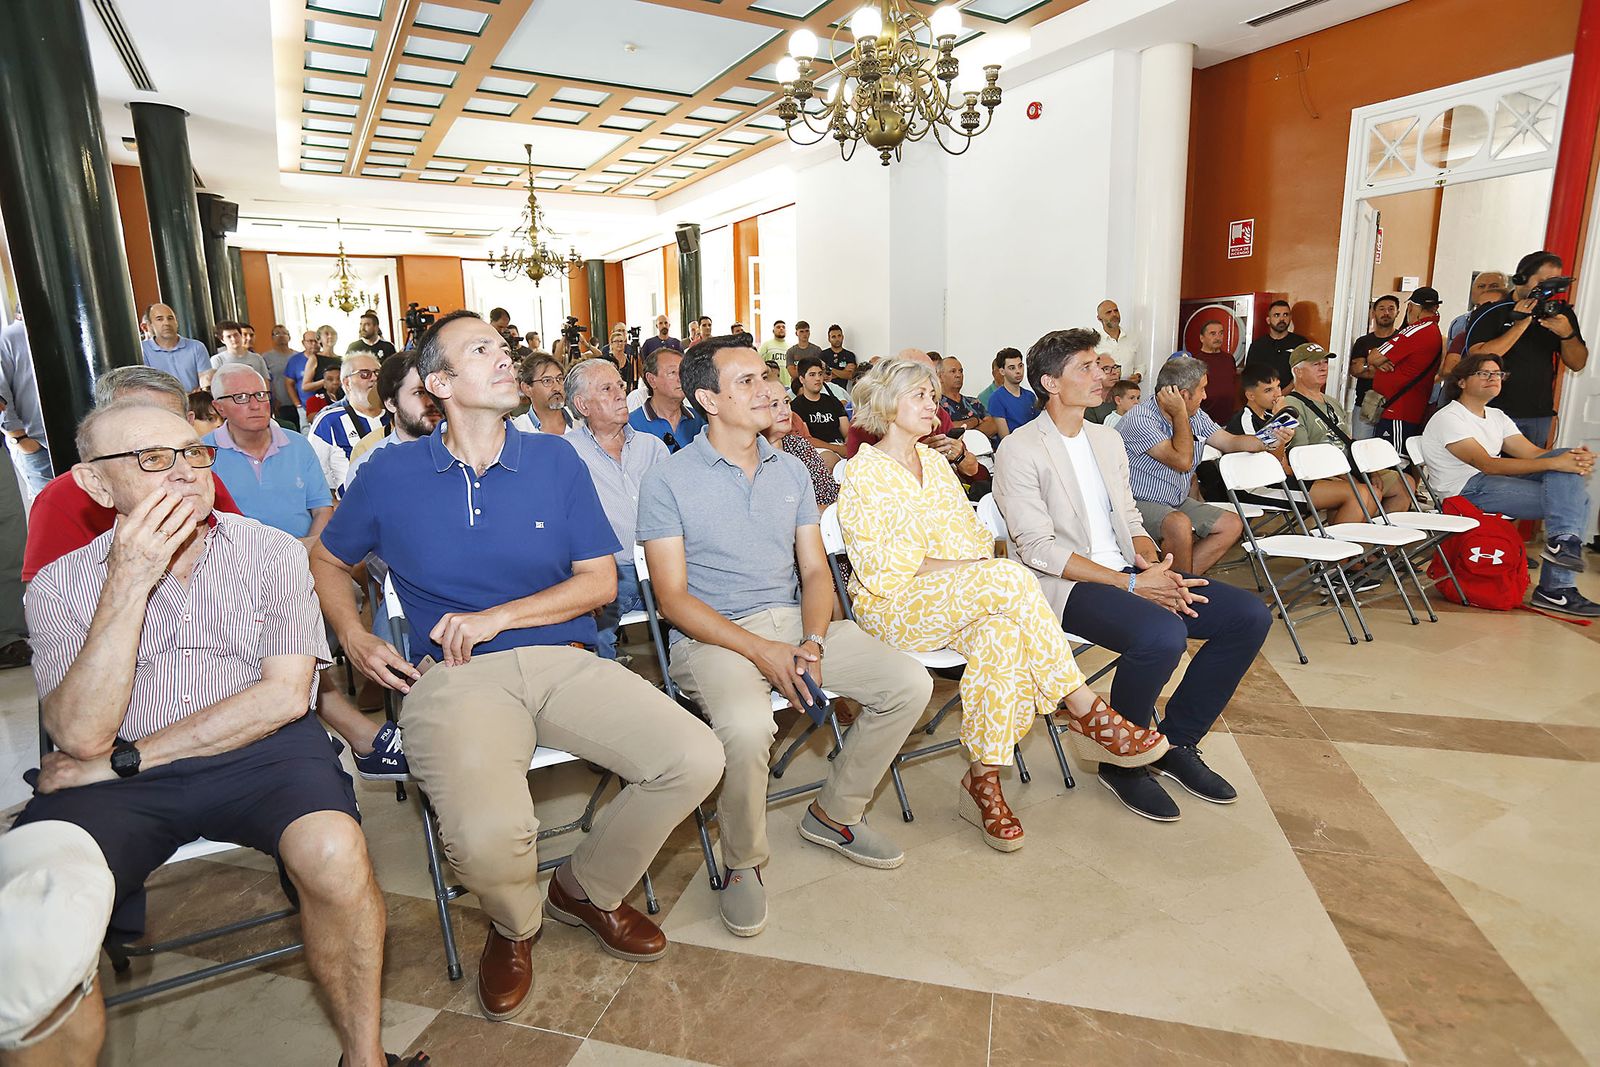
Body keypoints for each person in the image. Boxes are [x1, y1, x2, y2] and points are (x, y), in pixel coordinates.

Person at [311, 310, 724, 1022]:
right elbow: (325, 556)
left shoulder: (554, 457)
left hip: (561, 656)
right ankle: (513, 923)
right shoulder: (393, 471)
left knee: (694, 755)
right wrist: (351, 632)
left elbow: (599, 581)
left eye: (503, 347)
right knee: (490, 838)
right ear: (439, 383)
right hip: (455, 674)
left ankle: (585, 887)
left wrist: (498, 616)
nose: (505, 358)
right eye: (482, 350)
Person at [14, 400, 424, 1067]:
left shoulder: (269, 553)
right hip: (115, 776)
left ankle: (366, 1056)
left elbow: (286, 695)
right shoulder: (61, 584)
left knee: (334, 849)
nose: (183, 472)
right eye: (152, 459)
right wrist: (128, 580)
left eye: (193, 452)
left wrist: (126, 757)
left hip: (256, 747)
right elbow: (79, 733)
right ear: (95, 484)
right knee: (40, 918)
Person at [637, 336, 928, 937]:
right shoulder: (669, 480)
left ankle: (835, 812)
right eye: (746, 381)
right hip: (712, 635)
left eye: (765, 375)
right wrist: (762, 651)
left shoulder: (792, 468)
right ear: (707, 400)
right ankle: (743, 861)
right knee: (745, 728)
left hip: (796, 624)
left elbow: (817, 571)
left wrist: (813, 642)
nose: (768, 387)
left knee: (908, 682)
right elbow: (672, 600)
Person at [838, 357, 1168, 848]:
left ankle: (983, 779)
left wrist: (961, 566)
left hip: (958, 597)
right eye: (922, 397)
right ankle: (1082, 706)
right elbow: (887, 570)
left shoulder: (934, 462)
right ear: (888, 405)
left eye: (933, 395)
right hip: (894, 607)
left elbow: (972, 538)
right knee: (1007, 575)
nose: (934, 405)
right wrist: (967, 569)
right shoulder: (863, 473)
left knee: (1003, 635)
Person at [994, 329, 1271, 820]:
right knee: (1161, 634)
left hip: (1126, 571)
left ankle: (1174, 744)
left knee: (1247, 615)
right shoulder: (1020, 449)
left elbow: (1130, 518)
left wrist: (1156, 567)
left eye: (1099, 365)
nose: (1100, 374)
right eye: (1085, 367)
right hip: (1064, 583)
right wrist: (1131, 585)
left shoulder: (1105, 438)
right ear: (1050, 383)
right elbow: (1037, 549)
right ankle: (1123, 761)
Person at [21, 368, 244, 584]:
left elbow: (244, 554)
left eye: (167, 418)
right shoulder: (62, 498)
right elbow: (48, 596)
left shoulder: (197, 479)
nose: (154, 433)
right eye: (131, 419)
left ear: (188, 422)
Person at [1420, 354, 1599, 617]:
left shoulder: (1496, 416)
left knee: (1562, 466)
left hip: (1488, 484)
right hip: (1465, 492)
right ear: (1461, 382)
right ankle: (1556, 586)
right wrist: (1558, 463)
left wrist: (1571, 458)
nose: (1493, 378)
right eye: (1484, 373)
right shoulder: (1449, 418)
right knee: (1575, 500)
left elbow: (1535, 454)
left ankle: (1563, 544)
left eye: (1498, 374)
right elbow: (1487, 465)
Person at [1117, 355, 1282, 575]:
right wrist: (1180, 415)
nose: (1205, 395)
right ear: (1183, 395)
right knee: (1179, 524)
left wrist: (1271, 440)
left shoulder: (1195, 414)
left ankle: (1181, 582)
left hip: (1173, 500)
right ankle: (1178, 592)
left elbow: (1229, 441)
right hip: (1136, 503)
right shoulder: (1141, 419)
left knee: (1231, 524)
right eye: (1202, 389)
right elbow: (1183, 462)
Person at [562, 358, 667, 661]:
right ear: (582, 405)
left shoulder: (653, 447)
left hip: (663, 566)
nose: (621, 393)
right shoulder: (566, 453)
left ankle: (686, 682)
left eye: (620, 385)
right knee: (592, 637)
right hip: (607, 572)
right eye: (607, 389)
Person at [1279, 343, 1416, 522]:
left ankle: (1378, 544)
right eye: (1315, 364)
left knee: (1405, 483)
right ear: (1298, 371)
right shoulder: (1291, 405)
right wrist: (1348, 475)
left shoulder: (1331, 402)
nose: (1323, 367)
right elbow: (1303, 456)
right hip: (1321, 470)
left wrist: (1370, 470)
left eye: (1325, 362)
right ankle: (1341, 541)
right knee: (1369, 492)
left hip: (1349, 465)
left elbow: (1349, 442)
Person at [1466, 250, 1588, 446]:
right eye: (1544, 281)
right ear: (1521, 279)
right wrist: (1520, 324)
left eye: (1555, 282)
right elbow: (1478, 355)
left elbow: (1577, 363)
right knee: (1491, 472)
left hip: (1537, 414)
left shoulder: (1559, 313)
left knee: (1531, 472)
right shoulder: (1491, 310)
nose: (1550, 289)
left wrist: (1567, 334)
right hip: (1492, 409)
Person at [344, 352, 441, 492]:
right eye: (419, 393)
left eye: (434, 391)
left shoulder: (467, 456)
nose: (431, 402)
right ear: (391, 403)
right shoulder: (367, 469)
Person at [1367, 287, 1443, 450]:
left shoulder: (1417, 330)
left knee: (1392, 465)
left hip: (1400, 411)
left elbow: (1373, 357)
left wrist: (1378, 359)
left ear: (1413, 307)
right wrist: (1380, 361)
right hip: (1402, 410)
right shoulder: (1430, 330)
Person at [308, 353, 390, 491]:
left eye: (378, 373)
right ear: (347, 383)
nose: (374, 378)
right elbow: (312, 473)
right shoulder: (329, 421)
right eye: (365, 374)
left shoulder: (396, 416)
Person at [0, 313, 53, 498]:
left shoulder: (59, 330)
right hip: (38, 446)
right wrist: (21, 440)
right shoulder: (8, 337)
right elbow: (1, 395)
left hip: (78, 442)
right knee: (52, 514)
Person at [762, 391, 841, 508]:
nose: (786, 411)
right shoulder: (751, 454)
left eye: (786, 402)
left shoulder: (798, 444)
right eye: (774, 405)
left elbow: (829, 493)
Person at [628, 345, 706, 451]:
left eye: (683, 372)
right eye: (672, 373)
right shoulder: (632, 425)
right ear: (651, 380)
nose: (680, 379)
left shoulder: (699, 421)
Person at [1348, 295, 1401, 440]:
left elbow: (1400, 372)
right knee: (1360, 449)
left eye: (1391, 309)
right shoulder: (1363, 342)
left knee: (1385, 454)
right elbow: (1356, 370)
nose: (1386, 313)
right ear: (1373, 313)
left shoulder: (1401, 340)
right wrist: (1378, 365)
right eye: (1382, 309)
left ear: (1397, 312)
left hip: (1393, 406)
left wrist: (1368, 366)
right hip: (1364, 405)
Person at [1441, 272, 1510, 382]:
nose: (1486, 289)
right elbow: (1448, 370)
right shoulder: (1459, 323)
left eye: (1494, 286)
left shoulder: (1515, 330)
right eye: (1481, 286)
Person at [139, 303, 212, 391]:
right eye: (159, 319)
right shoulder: (143, 350)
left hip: (194, 402)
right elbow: (147, 386)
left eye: (170, 318)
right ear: (150, 325)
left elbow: (206, 384)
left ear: (176, 322)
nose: (166, 323)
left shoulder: (196, 347)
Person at [790, 356, 850, 456]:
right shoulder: (796, 406)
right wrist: (837, 449)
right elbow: (807, 439)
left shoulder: (833, 401)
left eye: (820, 374)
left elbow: (847, 432)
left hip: (840, 446)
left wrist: (848, 446)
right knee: (829, 458)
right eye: (812, 375)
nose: (818, 378)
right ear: (802, 379)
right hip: (815, 451)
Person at [1245, 299, 1309, 383]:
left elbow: (1306, 373)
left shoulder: (1301, 343)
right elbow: (1250, 375)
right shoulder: (1258, 345)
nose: (1282, 319)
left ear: (1290, 318)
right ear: (1268, 320)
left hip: (1292, 394)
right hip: (1265, 394)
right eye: (1276, 315)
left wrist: (1284, 393)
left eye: (1285, 315)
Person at [936, 354, 997, 440]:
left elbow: (992, 426)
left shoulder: (974, 402)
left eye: (960, 371)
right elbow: (947, 428)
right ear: (940, 377)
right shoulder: (936, 405)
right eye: (953, 371)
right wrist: (975, 421)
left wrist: (968, 436)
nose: (958, 375)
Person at [510, 353, 569, 435]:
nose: (557, 388)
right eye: (547, 381)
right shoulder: (517, 431)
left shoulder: (582, 421)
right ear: (527, 389)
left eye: (559, 379)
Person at [1192, 320, 1239, 424]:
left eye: (1221, 333)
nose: (1218, 338)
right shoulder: (1195, 361)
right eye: (1213, 334)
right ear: (1202, 338)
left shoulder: (1229, 359)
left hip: (1228, 420)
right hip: (1204, 421)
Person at [986, 347, 1035, 438]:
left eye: (1020, 366)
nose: (1018, 371)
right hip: (1012, 448)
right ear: (1002, 371)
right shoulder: (996, 399)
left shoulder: (1030, 396)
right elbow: (1005, 438)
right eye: (1012, 368)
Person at [262, 324, 303, 424]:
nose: (281, 336)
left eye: (284, 333)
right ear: (272, 338)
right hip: (281, 403)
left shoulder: (299, 356)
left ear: (289, 337)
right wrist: (273, 399)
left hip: (300, 401)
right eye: (277, 334)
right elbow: (266, 381)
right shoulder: (266, 357)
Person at [1094, 300, 1141, 380]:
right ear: (1099, 318)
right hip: (1103, 390)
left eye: (1116, 311)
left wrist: (1138, 376)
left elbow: (1140, 365)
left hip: (1126, 388)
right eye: (1108, 312)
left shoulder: (1133, 338)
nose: (1114, 314)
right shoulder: (1094, 341)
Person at [301, 324, 343, 398]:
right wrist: (326, 381)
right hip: (323, 400)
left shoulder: (342, 359)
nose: (330, 336)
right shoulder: (314, 358)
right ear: (319, 339)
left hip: (341, 399)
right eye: (326, 334)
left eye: (333, 334)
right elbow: (305, 386)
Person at [1082, 354, 1121, 424]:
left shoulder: (1124, 396)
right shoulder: (1088, 403)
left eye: (1115, 367)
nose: (1114, 373)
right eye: (1106, 369)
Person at [825, 325, 858, 393]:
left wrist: (830, 369)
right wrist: (843, 372)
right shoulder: (823, 355)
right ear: (829, 339)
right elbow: (824, 377)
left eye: (839, 336)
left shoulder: (850, 355)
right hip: (825, 392)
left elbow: (850, 375)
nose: (837, 339)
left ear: (842, 337)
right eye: (833, 337)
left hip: (843, 392)